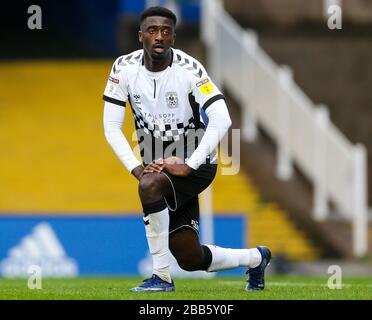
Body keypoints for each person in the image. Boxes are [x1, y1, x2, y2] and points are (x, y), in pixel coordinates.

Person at [103, 6, 271, 292]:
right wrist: (137, 167)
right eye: (153, 31)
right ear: (140, 36)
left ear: (173, 37)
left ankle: (160, 278)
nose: (159, 37)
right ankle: (256, 258)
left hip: (197, 159)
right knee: (190, 257)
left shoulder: (189, 69)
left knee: (150, 186)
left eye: (166, 32)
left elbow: (222, 117)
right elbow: (111, 126)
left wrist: (188, 164)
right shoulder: (123, 68)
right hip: (156, 158)